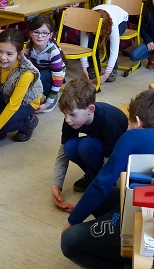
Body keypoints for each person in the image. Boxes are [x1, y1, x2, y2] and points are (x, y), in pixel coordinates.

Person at [61, 90, 154, 269]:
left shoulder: (133, 135)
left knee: (69, 241)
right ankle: (121, 251)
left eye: (129, 121)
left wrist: (72, 221)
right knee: (100, 196)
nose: (127, 126)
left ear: (137, 120)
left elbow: (103, 181)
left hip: (148, 222)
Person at [51, 79, 129, 211]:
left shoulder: (109, 120)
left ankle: (96, 182)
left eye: (71, 114)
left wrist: (98, 194)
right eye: (64, 114)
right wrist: (56, 184)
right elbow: (63, 153)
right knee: (69, 147)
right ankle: (92, 176)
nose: (67, 119)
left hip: (118, 157)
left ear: (90, 109)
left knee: (86, 146)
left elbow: (112, 162)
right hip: (100, 147)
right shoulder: (71, 120)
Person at [0, 28, 42, 143]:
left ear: (19, 54)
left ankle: (28, 122)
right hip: (6, 95)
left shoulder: (26, 73)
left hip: (25, 103)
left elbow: (14, 105)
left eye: (9, 54)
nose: (3, 57)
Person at [23, 15, 66, 113]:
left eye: (44, 33)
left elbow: (58, 80)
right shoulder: (28, 47)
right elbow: (23, 67)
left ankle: (51, 98)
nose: (40, 36)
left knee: (40, 78)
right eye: (36, 32)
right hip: (39, 69)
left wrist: (48, 103)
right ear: (30, 33)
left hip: (54, 74)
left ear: (50, 35)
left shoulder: (53, 52)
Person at [79, 3, 129, 84]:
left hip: (121, 20)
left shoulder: (113, 26)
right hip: (101, 19)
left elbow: (114, 51)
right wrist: (84, 68)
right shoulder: (87, 22)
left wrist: (106, 75)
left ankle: (113, 70)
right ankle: (93, 67)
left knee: (109, 41)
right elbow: (83, 47)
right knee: (91, 40)